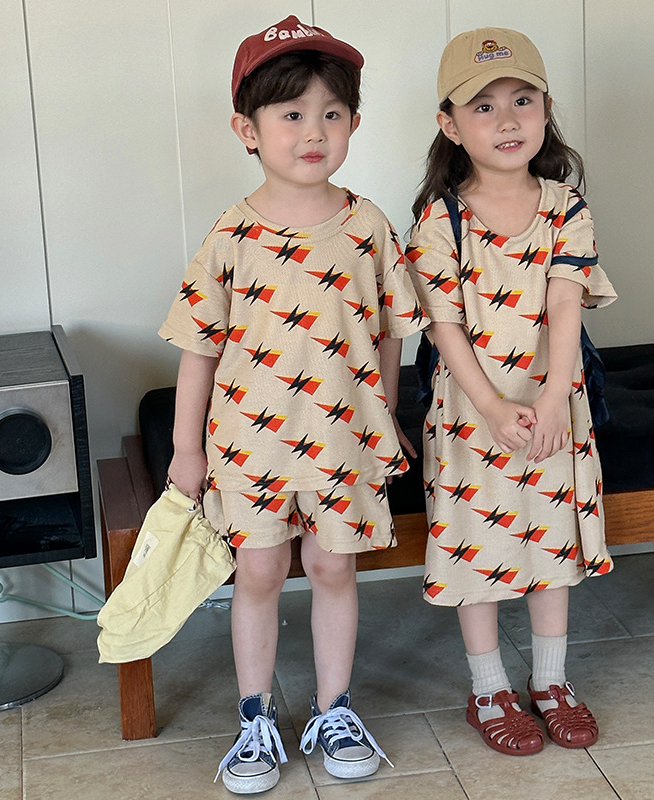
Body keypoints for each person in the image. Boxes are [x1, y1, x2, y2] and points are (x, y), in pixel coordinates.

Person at [159, 15, 425, 793]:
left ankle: (334, 709)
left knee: (334, 566)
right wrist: (186, 449)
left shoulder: (369, 226)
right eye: (292, 113)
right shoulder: (230, 236)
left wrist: (386, 419)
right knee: (260, 569)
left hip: (345, 442)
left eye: (332, 113)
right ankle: (254, 718)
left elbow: (388, 335)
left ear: (355, 125)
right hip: (250, 444)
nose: (314, 132)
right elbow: (198, 350)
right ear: (247, 128)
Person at [406, 26, 617, 756]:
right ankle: (489, 687)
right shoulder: (441, 220)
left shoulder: (566, 206)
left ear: (546, 110)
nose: (507, 120)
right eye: (484, 106)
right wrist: (494, 407)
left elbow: (564, 302)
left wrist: (554, 397)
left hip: (555, 400)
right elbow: (443, 326)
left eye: (523, 100)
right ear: (450, 124)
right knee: (480, 550)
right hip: (474, 412)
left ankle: (551, 682)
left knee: (551, 542)